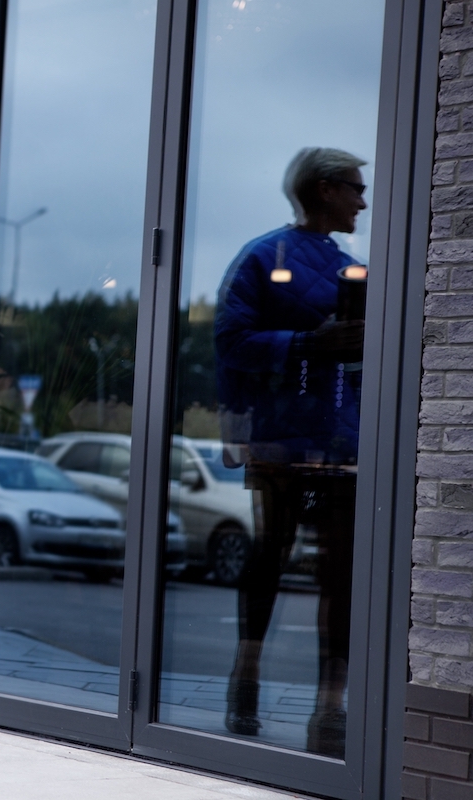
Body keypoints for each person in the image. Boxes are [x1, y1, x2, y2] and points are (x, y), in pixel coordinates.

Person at [215, 147, 367, 757]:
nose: (363, 200)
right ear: (326, 189)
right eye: (356, 188)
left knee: (342, 575)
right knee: (268, 561)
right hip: (277, 442)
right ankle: (245, 677)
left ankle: (329, 707)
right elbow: (231, 340)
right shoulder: (262, 258)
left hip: (341, 443)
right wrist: (308, 342)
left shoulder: (348, 267)